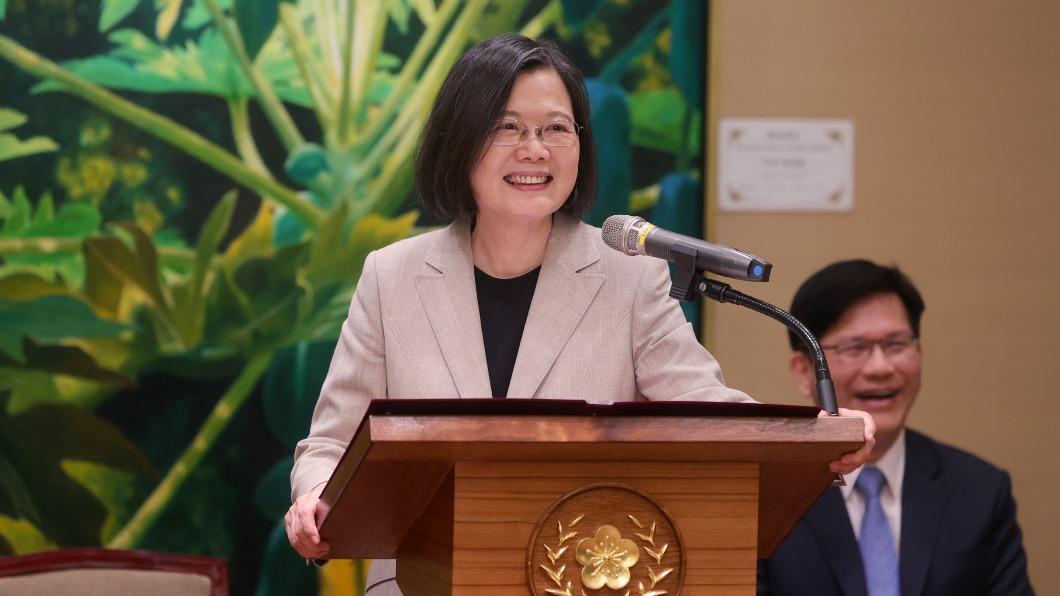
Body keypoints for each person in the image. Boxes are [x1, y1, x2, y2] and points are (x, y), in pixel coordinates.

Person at [285, 34, 874, 595]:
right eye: (506, 128)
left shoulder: (630, 275)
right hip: (422, 582)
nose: (534, 148)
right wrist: (314, 497)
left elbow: (709, 418)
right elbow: (331, 443)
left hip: (588, 575)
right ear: (459, 141)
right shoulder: (392, 276)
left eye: (556, 129)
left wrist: (813, 439)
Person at [757, 260, 1032, 596]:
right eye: (855, 348)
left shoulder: (980, 491)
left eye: (896, 345)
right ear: (803, 371)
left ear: (920, 353)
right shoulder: (763, 495)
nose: (880, 367)